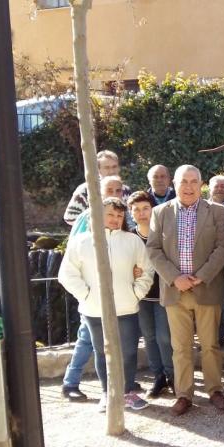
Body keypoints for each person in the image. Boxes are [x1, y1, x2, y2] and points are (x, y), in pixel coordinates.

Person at [146, 164, 224, 416]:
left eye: (194, 181)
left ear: (201, 184)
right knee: (181, 347)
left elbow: (223, 248)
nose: (189, 187)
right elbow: (153, 249)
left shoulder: (217, 212)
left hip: (206, 288)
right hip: (175, 291)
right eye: (184, 181)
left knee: (210, 345)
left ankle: (215, 390)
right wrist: (175, 277)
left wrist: (201, 276)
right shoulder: (160, 212)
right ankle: (183, 394)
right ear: (174, 183)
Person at [58, 197, 154, 412]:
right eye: (110, 214)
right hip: (94, 309)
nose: (115, 219)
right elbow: (67, 274)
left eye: (119, 215)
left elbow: (146, 270)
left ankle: (128, 391)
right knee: (103, 352)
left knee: (129, 352)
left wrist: (136, 293)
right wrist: (87, 294)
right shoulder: (81, 242)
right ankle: (107, 393)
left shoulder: (132, 241)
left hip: (127, 307)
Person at [60, 175, 129, 402]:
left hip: (117, 294)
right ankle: (71, 382)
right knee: (87, 338)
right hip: (93, 292)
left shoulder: (121, 215)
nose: (115, 193)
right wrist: (86, 292)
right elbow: (75, 252)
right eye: (110, 189)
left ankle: (117, 384)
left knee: (98, 339)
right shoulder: (86, 218)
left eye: (119, 190)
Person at [128, 191, 174, 399]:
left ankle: (173, 376)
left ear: (153, 209)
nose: (141, 213)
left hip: (163, 294)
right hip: (141, 296)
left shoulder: (162, 232)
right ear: (131, 213)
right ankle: (159, 377)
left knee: (165, 337)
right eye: (136, 209)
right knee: (149, 337)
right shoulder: (129, 236)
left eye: (145, 208)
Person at [63, 150, 132, 226]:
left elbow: (130, 217)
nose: (112, 171)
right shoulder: (86, 190)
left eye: (114, 167)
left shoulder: (126, 190)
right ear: (98, 170)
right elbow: (70, 218)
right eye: (107, 168)